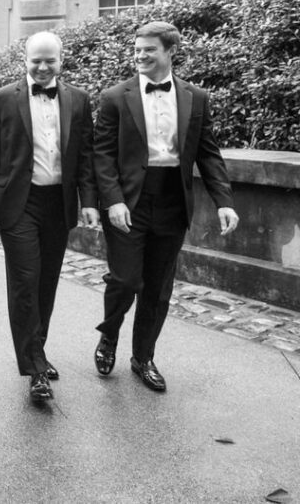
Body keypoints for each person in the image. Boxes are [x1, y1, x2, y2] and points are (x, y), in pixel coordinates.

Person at [93, 21, 239, 391]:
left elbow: (208, 153)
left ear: (170, 51)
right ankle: (109, 334)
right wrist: (112, 201)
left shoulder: (196, 98)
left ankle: (143, 358)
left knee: (158, 288)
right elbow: (103, 156)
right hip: (129, 202)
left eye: (148, 50)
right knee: (125, 280)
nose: (140, 56)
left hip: (173, 200)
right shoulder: (114, 97)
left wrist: (224, 201)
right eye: (137, 49)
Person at [0, 31, 99, 402]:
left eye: (50, 60)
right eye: (37, 60)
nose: (43, 67)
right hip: (19, 204)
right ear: (26, 60)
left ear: (61, 60)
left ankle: (38, 349)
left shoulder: (79, 100)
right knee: (25, 281)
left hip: (58, 204)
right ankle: (34, 367)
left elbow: (85, 156)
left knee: (46, 282)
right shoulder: (1, 100)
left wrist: (89, 201)